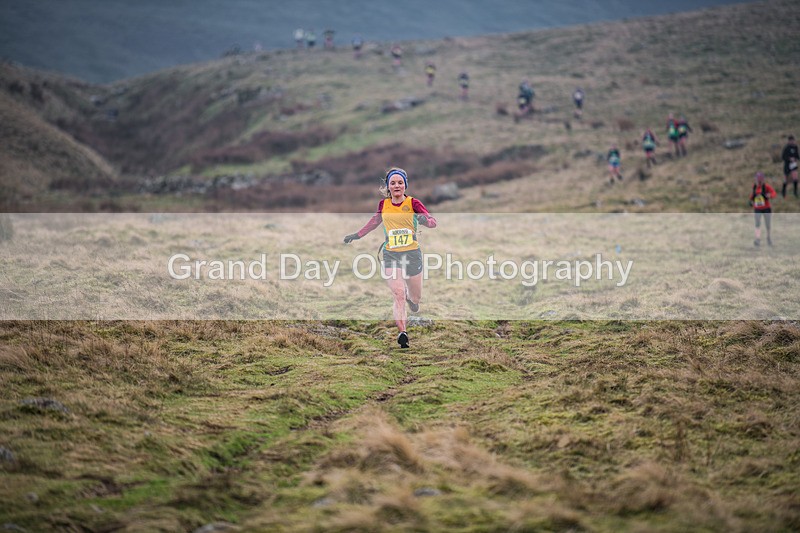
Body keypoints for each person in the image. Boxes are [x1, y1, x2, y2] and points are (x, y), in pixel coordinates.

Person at [343, 168, 437, 348]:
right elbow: (374, 222)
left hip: (412, 254)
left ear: (405, 185)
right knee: (398, 293)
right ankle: (403, 333)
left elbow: (432, 222)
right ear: (387, 186)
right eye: (392, 183)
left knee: (415, 298)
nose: (396, 186)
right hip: (390, 254)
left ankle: (413, 301)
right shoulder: (383, 205)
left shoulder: (413, 203)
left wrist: (424, 221)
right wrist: (357, 235)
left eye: (400, 182)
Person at [749, 172, 776, 246]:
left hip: (766, 208)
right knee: (757, 224)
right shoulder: (754, 187)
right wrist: (750, 201)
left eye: (760, 180)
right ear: (756, 179)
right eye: (758, 180)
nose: (759, 181)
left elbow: (773, 193)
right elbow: (752, 196)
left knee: (768, 224)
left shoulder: (766, 187)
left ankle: (768, 238)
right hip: (757, 208)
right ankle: (757, 239)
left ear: (763, 180)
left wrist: (770, 195)